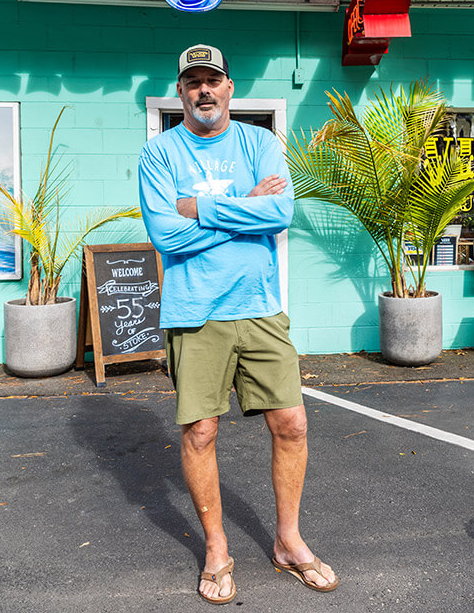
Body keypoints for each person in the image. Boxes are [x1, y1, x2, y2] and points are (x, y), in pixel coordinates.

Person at [138, 44, 337, 605]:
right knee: (200, 433)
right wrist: (245, 209)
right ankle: (218, 550)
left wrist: (200, 208)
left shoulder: (260, 143)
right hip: (195, 309)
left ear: (230, 88)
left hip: (260, 306)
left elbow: (281, 213)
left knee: (292, 424)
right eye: (192, 82)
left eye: (213, 81)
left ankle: (288, 541)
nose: (204, 90)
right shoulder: (159, 154)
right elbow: (165, 235)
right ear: (180, 92)